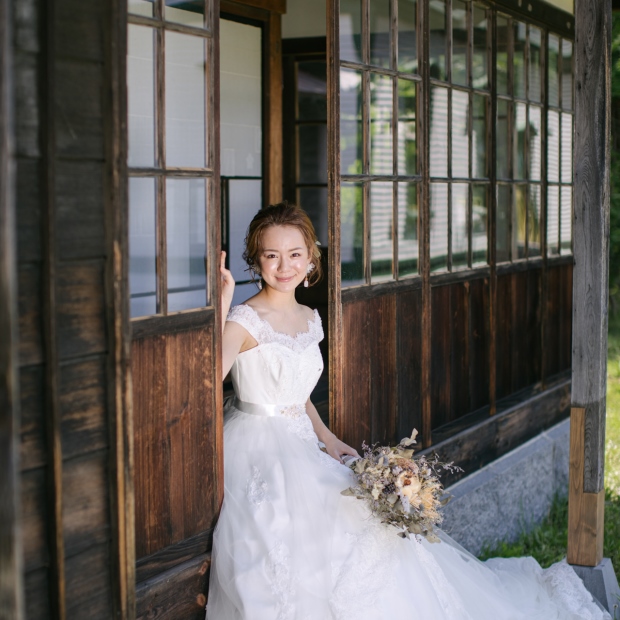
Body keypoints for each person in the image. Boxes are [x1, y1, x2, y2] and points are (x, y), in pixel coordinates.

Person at [206, 202, 610, 619]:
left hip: (304, 443)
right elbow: (210, 381)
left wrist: (328, 439)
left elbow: (296, 395)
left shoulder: (310, 318)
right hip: (259, 449)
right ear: (257, 260)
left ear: (311, 258)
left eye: (295, 254)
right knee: (285, 550)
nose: (284, 265)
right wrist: (221, 305)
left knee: (368, 527)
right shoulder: (244, 319)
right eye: (272, 255)